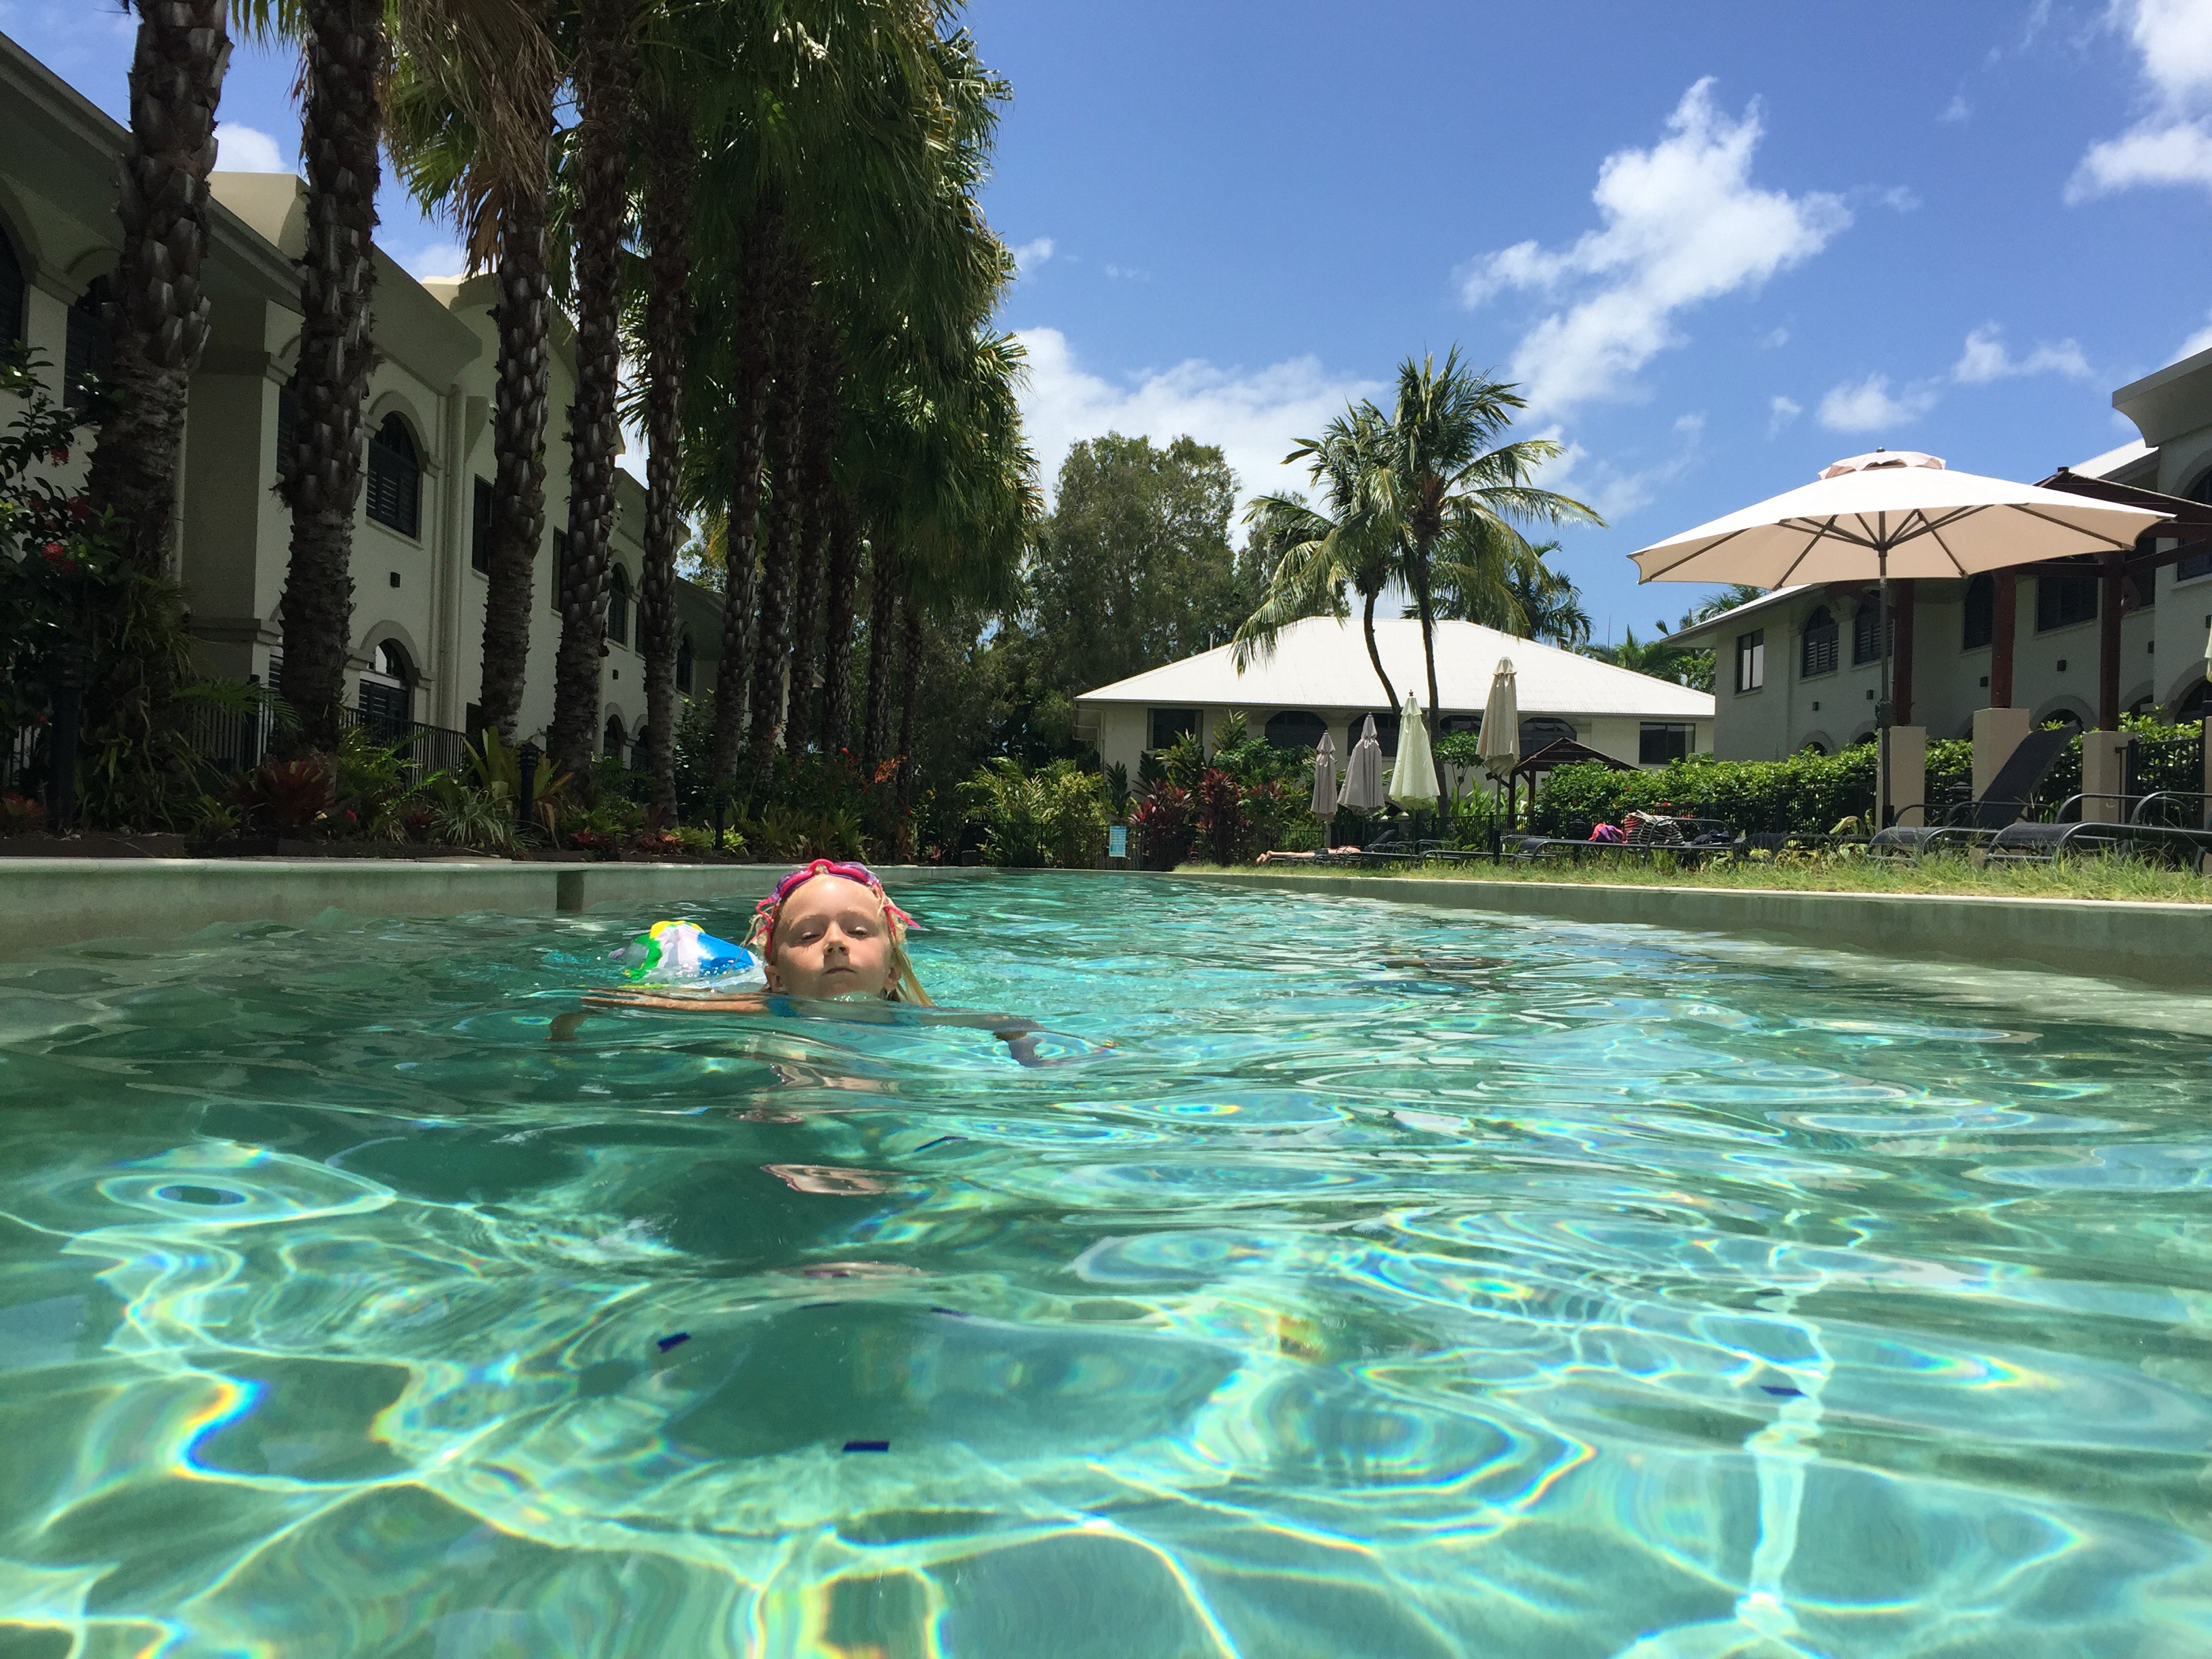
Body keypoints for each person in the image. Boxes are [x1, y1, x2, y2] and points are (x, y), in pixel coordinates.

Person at [565, 859, 1097, 1067]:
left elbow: (1011, 1021)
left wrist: (1033, 1056)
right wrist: (574, 1022)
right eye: (810, 935)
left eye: (858, 932)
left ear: (892, 971)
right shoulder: (759, 1008)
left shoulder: (909, 1016)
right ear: (776, 975)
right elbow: (637, 1004)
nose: (836, 943)